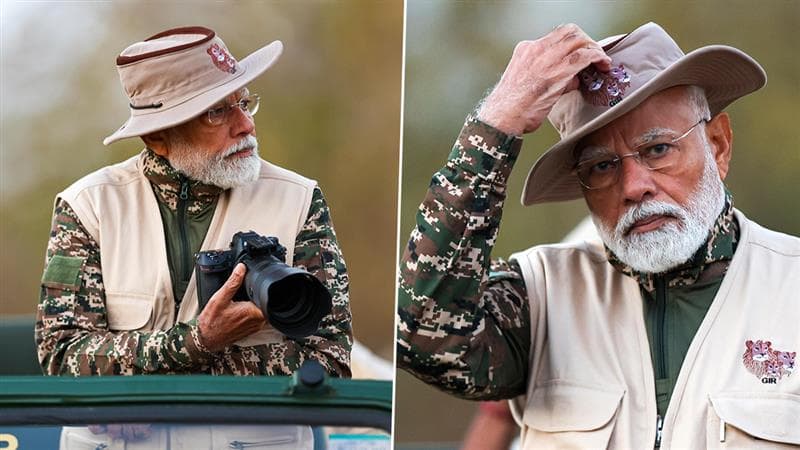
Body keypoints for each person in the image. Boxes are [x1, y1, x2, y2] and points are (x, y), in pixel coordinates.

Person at [397, 22, 799, 448]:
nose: (633, 187)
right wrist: (497, 122)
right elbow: (423, 335)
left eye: (658, 149)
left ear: (718, 145)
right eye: (602, 166)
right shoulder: (541, 296)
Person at [35, 26, 352, 378]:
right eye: (217, 112)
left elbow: (329, 360)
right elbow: (62, 356)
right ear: (156, 136)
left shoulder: (300, 199)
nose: (246, 125)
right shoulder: (88, 207)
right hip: (121, 438)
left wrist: (164, 367)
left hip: (253, 435)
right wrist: (197, 342)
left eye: (244, 103)